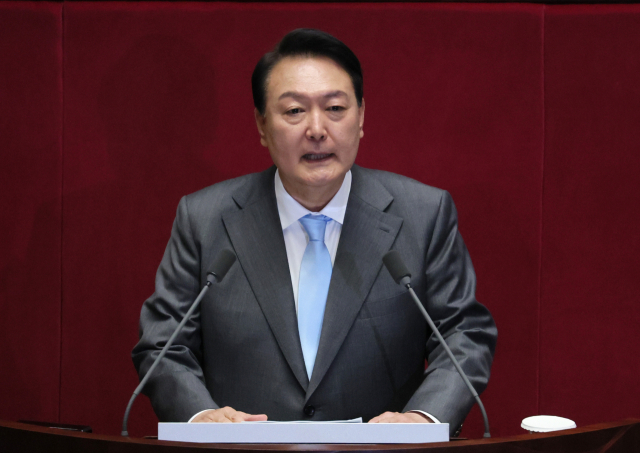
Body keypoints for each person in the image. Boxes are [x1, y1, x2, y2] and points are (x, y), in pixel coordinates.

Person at [132, 28, 497, 436]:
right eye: (294, 111)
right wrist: (201, 418)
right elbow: (163, 344)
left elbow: (464, 335)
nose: (317, 129)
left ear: (361, 117)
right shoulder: (204, 219)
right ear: (262, 124)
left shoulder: (424, 215)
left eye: (335, 108)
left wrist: (422, 419)